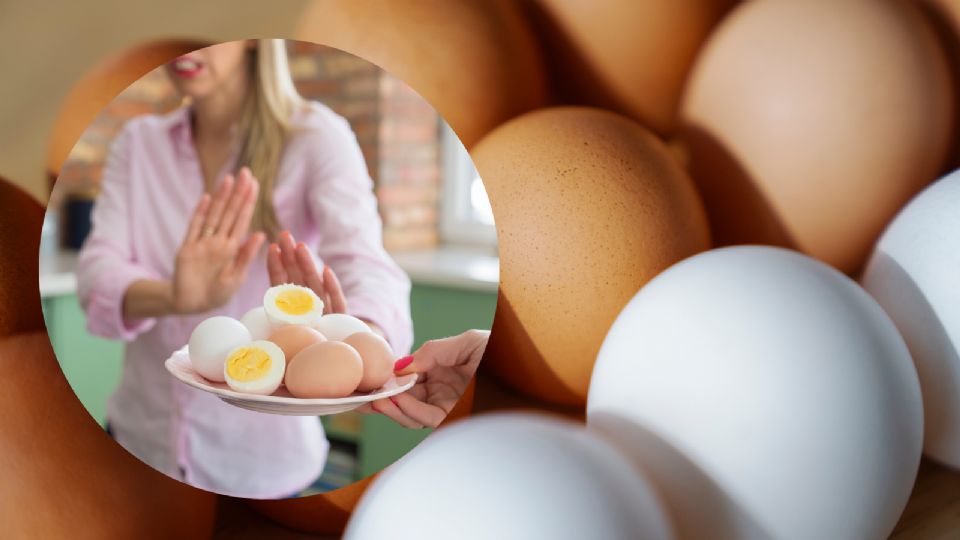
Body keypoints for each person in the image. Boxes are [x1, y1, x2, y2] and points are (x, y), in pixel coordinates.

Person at [76, 39, 412, 499]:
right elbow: (96, 272)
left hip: (260, 469)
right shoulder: (137, 145)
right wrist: (176, 296)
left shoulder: (316, 138)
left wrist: (357, 343)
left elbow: (369, 265)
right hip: (139, 440)